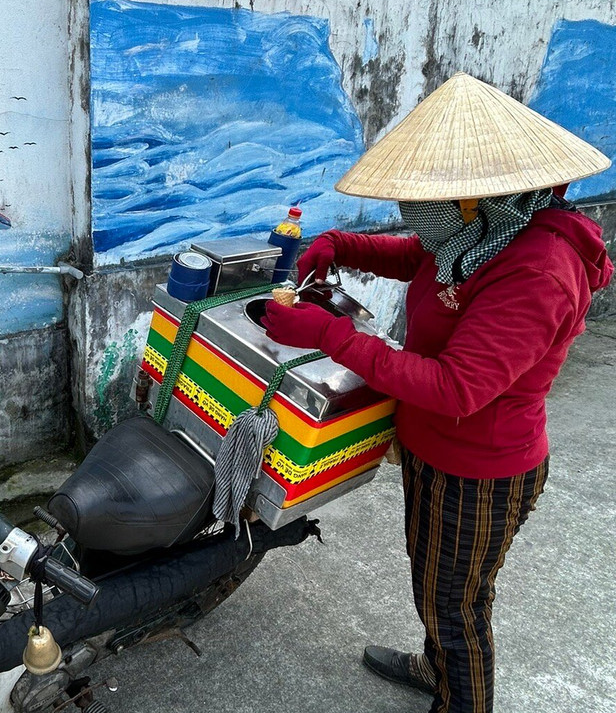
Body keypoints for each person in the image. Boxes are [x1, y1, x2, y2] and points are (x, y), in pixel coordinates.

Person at [261, 72, 613, 713]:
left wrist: (331, 333)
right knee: (436, 582)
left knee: (458, 607)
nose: (419, 218)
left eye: (433, 202)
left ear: (478, 197)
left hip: (479, 468)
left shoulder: (538, 268)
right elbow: (422, 254)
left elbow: (457, 388)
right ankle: (435, 665)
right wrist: (343, 246)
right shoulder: (479, 235)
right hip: (429, 447)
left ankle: (461, 697)